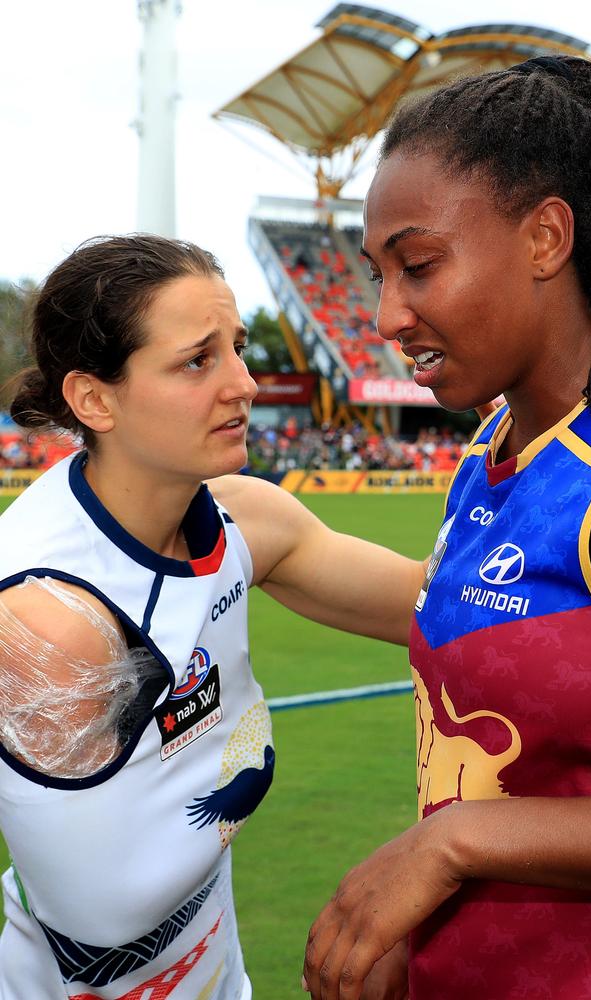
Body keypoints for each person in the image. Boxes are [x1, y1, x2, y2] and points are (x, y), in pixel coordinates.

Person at [303, 55, 591, 1000]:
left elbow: (476, 827)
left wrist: (451, 845)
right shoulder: (494, 446)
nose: (384, 316)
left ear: (546, 238)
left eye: (418, 266)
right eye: (379, 275)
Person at [0, 234, 428, 1000]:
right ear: (94, 399)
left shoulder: (246, 524)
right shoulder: (44, 622)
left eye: (236, 347)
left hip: (218, 970)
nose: (245, 383)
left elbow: (458, 616)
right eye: (198, 361)